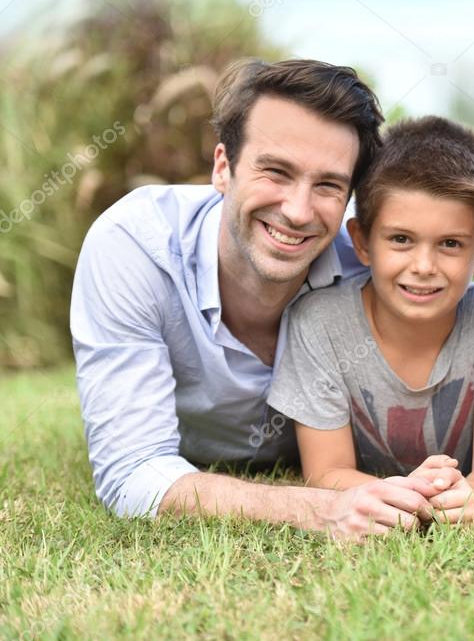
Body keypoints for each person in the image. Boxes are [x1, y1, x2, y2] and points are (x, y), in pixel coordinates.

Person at [71, 58, 440, 539]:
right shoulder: (134, 244)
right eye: (276, 172)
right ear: (223, 167)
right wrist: (318, 510)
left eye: (328, 185)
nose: (297, 210)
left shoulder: (378, 266)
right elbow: (132, 473)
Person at [268, 116, 474, 525]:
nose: (423, 266)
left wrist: (470, 495)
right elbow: (325, 471)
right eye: (401, 239)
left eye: (451, 244)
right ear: (362, 242)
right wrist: (409, 495)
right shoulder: (320, 324)